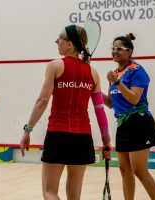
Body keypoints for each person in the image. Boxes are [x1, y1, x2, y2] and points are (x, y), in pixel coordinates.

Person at [20, 24, 112, 200]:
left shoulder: (55, 65)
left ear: (70, 44)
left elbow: (42, 100)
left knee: (49, 191)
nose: (57, 41)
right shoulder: (93, 73)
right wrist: (106, 141)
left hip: (58, 134)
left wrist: (28, 129)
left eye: (60, 37)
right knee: (74, 195)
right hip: (83, 138)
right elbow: (100, 110)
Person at [102, 33, 155, 200]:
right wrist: (94, 91)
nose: (115, 51)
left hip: (139, 122)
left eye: (119, 48)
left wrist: (117, 82)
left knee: (139, 171)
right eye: (113, 48)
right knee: (124, 169)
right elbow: (111, 103)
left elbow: (134, 98)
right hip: (123, 125)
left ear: (129, 52)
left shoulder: (137, 71)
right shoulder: (114, 74)